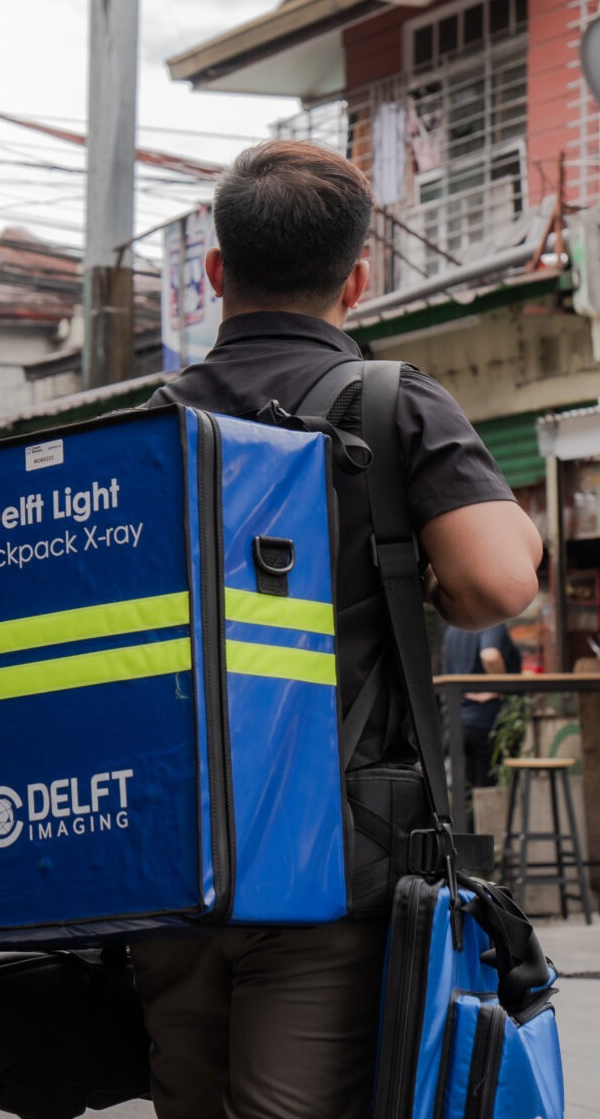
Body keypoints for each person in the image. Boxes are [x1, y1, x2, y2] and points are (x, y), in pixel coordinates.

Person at [134, 140, 542, 1119]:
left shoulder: (154, 420)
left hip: (173, 852)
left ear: (215, 273)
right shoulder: (392, 405)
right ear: (358, 280)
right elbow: (498, 579)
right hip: (336, 847)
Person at [441, 620, 523, 789]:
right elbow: (490, 656)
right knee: (489, 793)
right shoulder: (491, 623)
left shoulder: (453, 628)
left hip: (457, 723)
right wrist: (499, 688)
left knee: (463, 798)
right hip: (486, 724)